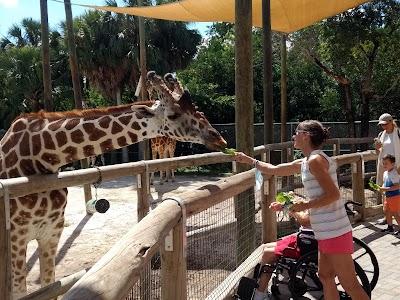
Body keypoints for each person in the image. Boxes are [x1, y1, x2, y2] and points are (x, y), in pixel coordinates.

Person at [234, 120, 370, 300]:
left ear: (306, 135)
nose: (293, 136)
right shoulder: (307, 161)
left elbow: (334, 195)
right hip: (325, 232)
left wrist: (304, 206)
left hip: (335, 232)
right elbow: (275, 169)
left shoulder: (315, 160)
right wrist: (250, 160)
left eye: (296, 132)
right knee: (326, 277)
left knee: (350, 285)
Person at [252, 202, 312, 300]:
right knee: (265, 247)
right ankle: (262, 288)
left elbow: (305, 221)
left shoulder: (323, 197)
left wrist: (291, 209)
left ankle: (259, 294)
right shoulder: (322, 195)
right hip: (306, 237)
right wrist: (286, 206)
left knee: (268, 253)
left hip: (308, 243)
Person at [374, 113, 400, 225]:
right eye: (381, 125)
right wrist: (377, 148)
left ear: (391, 121)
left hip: (397, 167)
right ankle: (387, 217)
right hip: (385, 168)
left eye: (385, 124)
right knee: (386, 191)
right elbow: (377, 153)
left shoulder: (398, 133)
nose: (383, 127)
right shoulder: (381, 135)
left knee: (397, 191)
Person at [379, 154, 400, 234]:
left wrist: (385, 189)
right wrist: (381, 188)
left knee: (395, 213)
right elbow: (385, 184)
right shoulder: (385, 173)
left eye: (386, 163)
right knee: (387, 211)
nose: (384, 165)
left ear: (393, 164)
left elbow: (397, 186)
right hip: (388, 196)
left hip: (395, 196)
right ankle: (390, 227)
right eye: (383, 163)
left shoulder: (394, 174)